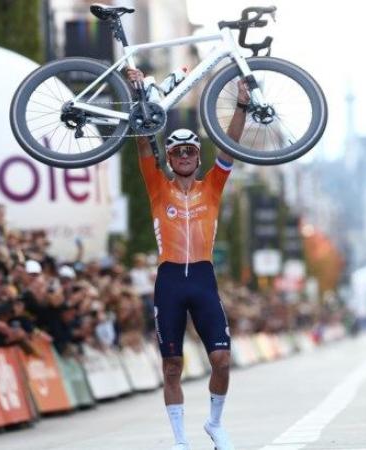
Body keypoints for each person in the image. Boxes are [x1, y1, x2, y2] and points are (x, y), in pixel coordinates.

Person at [127, 68, 249, 450]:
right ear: (170, 157)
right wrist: (137, 95)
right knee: (172, 366)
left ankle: (214, 424)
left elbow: (230, 144)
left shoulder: (211, 186)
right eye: (177, 151)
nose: (183, 156)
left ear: (198, 158)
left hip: (202, 277)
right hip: (168, 281)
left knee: (222, 360)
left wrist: (242, 103)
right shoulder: (157, 187)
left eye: (190, 151)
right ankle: (180, 441)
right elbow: (144, 141)